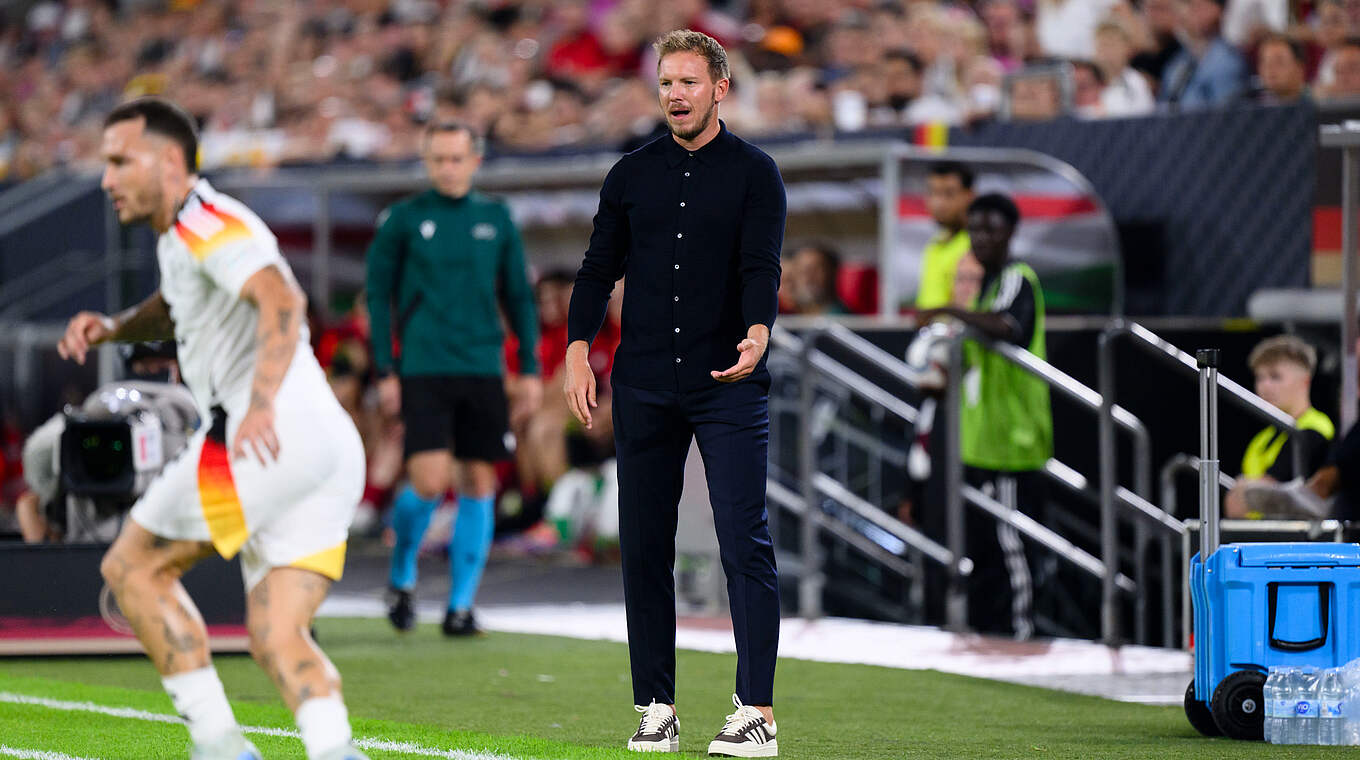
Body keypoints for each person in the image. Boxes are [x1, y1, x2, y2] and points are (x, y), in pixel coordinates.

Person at [56, 98, 369, 760]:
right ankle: (335, 748)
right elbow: (178, 304)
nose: (107, 179)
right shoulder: (187, 235)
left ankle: (219, 745)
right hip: (328, 449)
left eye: (119, 160)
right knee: (276, 634)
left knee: (132, 567)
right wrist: (114, 328)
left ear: (170, 161)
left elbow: (281, 297)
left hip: (260, 437)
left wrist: (257, 403)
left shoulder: (206, 222)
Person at [564, 29, 784, 757]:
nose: (675, 95)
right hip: (646, 381)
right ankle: (656, 705)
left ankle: (756, 712)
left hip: (730, 381)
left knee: (742, 540)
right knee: (643, 547)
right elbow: (598, 270)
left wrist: (758, 331)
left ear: (720, 89)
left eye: (689, 82)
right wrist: (575, 350)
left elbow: (762, 266)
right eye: (666, 83)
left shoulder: (757, 173)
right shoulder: (629, 174)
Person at [365, 121, 542, 637]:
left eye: (455, 158)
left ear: (475, 160)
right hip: (423, 364)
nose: (446, 167)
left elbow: (518, 297)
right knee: (428, 481)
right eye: (437, 158)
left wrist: (529, 368)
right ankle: (402, 575)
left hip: (483, 365)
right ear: (426, 161)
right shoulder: (403, 218)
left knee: (480, 481)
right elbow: (379, 296)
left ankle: (460, 607)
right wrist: (385, 368)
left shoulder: (495, 217)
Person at [919, 193, 1052, 640]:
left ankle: (1021, 634)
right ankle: (993, 634)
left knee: (1013, 548)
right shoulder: (989, 286)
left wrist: (947, 309)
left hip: (1012, 440)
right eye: (974, 229)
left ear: (1012, 232)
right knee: (985, 550)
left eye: (990, 229)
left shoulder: (1018, 278)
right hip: (980, 441)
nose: (981, 238)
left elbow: (1007, 326)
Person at [1225, 335, 1334, 518]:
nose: (1264, 386)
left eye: (1275, 377)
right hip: (1253, 537)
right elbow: (1235, 504)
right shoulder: (1262, 438)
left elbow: (1262, 493)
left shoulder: (1315, 428)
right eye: (1260, 378)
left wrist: (1247, 490)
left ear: (1304, 381)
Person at [1160, 0, 1249, 109]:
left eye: (1197, 6)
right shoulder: (1177, 63)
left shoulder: (1227, 61)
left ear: (1217, 11)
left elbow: (1226, 115)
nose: (1186, 13)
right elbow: (1162, 107)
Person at [914, 161, 975, 311]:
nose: (939, 203)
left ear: (969, 196)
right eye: (933, 192)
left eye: (948, 194)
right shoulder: (935, 244)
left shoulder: (977, 247)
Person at [787, 242, 849, 315]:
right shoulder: (782, 315)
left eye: (816, 269)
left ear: (832, 273)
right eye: (802, 270)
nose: (808, 277)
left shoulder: (843, 319)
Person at [1256, 33, 1311, 103]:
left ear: (1299, 68)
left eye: (1279, 62)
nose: (1269, 69)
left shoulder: (1318, 107)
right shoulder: (1251, 104)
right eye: (1265, 62)